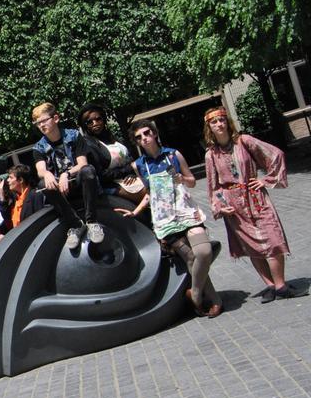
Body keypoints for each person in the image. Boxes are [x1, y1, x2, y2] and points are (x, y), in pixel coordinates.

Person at [119, 119, 222, 318]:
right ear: (137, 142)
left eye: (147, 133)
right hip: (165, 220)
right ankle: (215, 301)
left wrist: (182, 179)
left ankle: (195, 293)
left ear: (155, 133)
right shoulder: (139, 165)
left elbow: (192, 181)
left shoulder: (173, 155)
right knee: (190, 258)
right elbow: (150, 193)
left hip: (186, 212)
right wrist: (136, 211)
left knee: (204, 251)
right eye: (139, 137)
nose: (144, 138)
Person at [203, 106, 304, 303]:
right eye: (214, 122)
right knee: (251, 246)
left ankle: (281, 286)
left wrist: (265, 180)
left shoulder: (244, 141)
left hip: (256, 198)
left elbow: (275, 154)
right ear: (209, 128)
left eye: (221, 120)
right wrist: (221, 206)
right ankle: (271, 286)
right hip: (234, 205)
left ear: (227, 122)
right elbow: (213, 186)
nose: (219, 124)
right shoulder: (211, 155)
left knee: (273, 239)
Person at [31, 102, 105, 249]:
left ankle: (91, 222)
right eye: (38, 123)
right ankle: (75, 224)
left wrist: (66, 174)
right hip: (60, 190)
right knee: (42, 184)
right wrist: (47, 174)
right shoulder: (38, 147)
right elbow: (40, 170)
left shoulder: (74, 135)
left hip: (78, 182)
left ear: (56, 118)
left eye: (44, 121)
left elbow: (82, 163)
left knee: (88, 171)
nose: (41, 125)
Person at [78, 102, 145, 204]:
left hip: (130, 178)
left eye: (98, 119)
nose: (95, 123)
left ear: (104, 120)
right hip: (111, 185)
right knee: (146, 192)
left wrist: (131, 173)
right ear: (85, 126)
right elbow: (102, 175)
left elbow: (131, 160)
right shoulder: (88, 144)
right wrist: (127, 170)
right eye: (89, 122)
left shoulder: (114, 138)